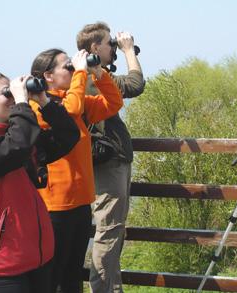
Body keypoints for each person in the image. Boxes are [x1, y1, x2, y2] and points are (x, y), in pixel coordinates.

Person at [0, 71, 80, 293]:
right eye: (7, 93)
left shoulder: (21, 139)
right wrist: (22, 102)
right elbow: (17, 145)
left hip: (39, 258)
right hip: (4, 267)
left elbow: (68, 136)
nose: (13, 98)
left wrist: (43, 100)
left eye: (13, 92)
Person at [30, 48, 123, 293]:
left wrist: (99, 74)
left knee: (73, 274)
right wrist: (81, 74)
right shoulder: (36, 105)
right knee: (54, 276)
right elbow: (68, 111)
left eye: (74, 66)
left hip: (81, 202)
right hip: (55, 205)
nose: (73, 70)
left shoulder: (76, 101)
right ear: (48, 76)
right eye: (68, 67)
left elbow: (114, 102)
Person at [76, 22, 145, 293]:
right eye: (109, 44)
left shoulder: (91, 75)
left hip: (106, 161)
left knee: (112, 230)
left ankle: (110, 288)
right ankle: (104, 289)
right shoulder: (93, 75)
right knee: (109, 229)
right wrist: (129, 50)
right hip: (108, 164)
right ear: (94, 48)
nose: (112, 48)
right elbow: (135, 84)